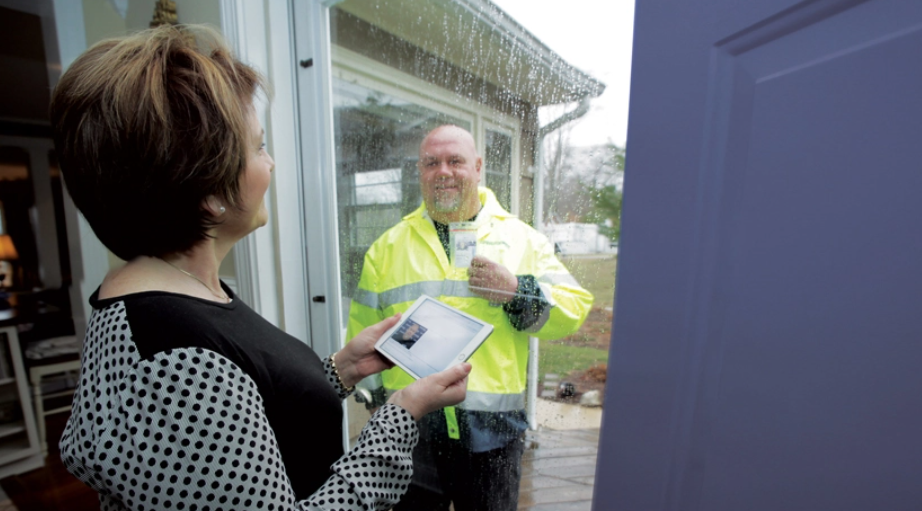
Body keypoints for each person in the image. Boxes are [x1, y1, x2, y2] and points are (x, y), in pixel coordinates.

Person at [52, 25, 471, 511]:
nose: (269, 164)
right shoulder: (171, 353)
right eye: (257, 147)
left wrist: (342, 369)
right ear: (207, 192)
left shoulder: (187, 291)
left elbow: (248, 415)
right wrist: (401, 415)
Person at [346, 125, 593, 510]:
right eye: (431, 163)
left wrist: (517, 291)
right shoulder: (387, 247)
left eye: (455, 161)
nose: (443, 171)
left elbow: (573, 309)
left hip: (492, 435)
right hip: (409, 429)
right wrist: (376, 399)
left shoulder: (522, 241)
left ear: (478, 168)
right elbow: (364, 330)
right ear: (420, 173)